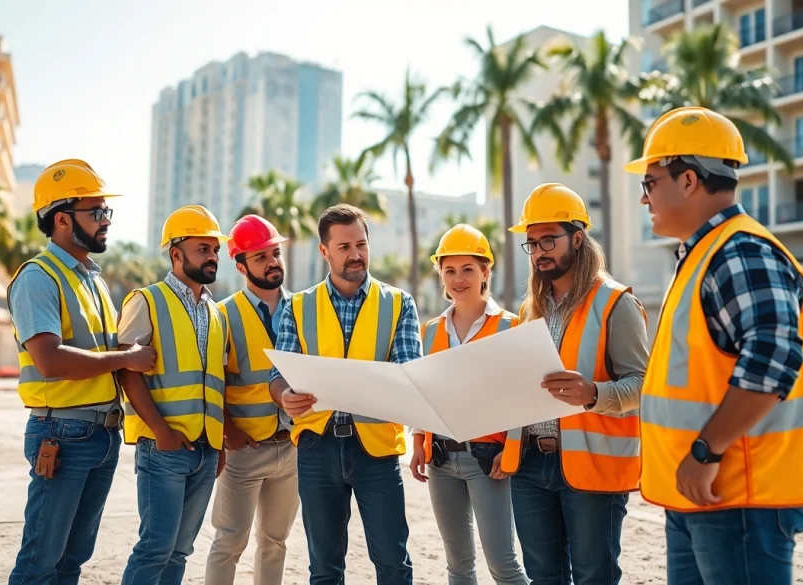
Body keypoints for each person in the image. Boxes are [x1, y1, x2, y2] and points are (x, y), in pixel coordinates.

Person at [623, 105, 803, 585]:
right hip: (704, 493)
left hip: (737, 498)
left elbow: (775, 358)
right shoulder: (705, 255)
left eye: (649, 183)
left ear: (688, 180)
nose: (643, 198)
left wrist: (705, 452)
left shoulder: (740, 251)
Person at [7, 159, 156, 585]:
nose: (106, 220)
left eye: (107, 212)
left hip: (101, 435)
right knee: (39, 563)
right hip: (62, 435)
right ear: (61, 219)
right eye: (96, 212)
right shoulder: (39, 278)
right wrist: (125, 360)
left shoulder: (93, 280)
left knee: (71, 561)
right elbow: (49, 359)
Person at [503, 183, 650, 585]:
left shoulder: (616, 303)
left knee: (594, 577)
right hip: (531, 466)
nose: (538, 252)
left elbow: (643, 384)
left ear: (578, 238)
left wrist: (593, 394)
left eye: (548, 240)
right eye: (531, 244)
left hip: (591, 466)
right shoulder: (529, 307)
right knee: (543, 578)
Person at [268, 203, 421, 585]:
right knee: (324, 568)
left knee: (393, 562)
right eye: (344, 247)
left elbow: (410, 374)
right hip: (317, 449)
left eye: (362, 244)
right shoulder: (296, 307)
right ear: (324, 251)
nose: (355, 255)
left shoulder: (400, 304)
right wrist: (284, 396)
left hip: (378, 451)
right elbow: (278, 375)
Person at [408, 224, 529, 585]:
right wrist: (418, 441)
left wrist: (510, 450)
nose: (458, 279)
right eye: (449, 271)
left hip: (487, 461)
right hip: (440, 461)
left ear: (485, 272)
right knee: (457, 566)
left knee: (503, 564)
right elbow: (423, 392)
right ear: (440, 275)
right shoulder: (430, 330)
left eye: (467, 270)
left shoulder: (510, 326)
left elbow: (522, 397)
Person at [117, 204, 229, 585]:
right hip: (164, 448)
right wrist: (161, 432)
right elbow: (126, 372)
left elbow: (215, 384)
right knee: (155, 549)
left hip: (206, 449)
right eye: (203, 249)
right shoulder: (146, 301)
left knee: (180, 551)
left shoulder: (216, 314)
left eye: (215, 250)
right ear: (176, 254)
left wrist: (220, 442)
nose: (213, 257)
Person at [205, 214, 299, 585]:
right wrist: (229, 434)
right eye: (260, 257)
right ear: (240, 264)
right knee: (229, 541)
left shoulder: (303, 310)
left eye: (275, 253)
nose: (273, 262)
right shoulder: (223, 315)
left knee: (275, 542)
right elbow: (212, 383)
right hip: (244, 449)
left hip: (291, 448)